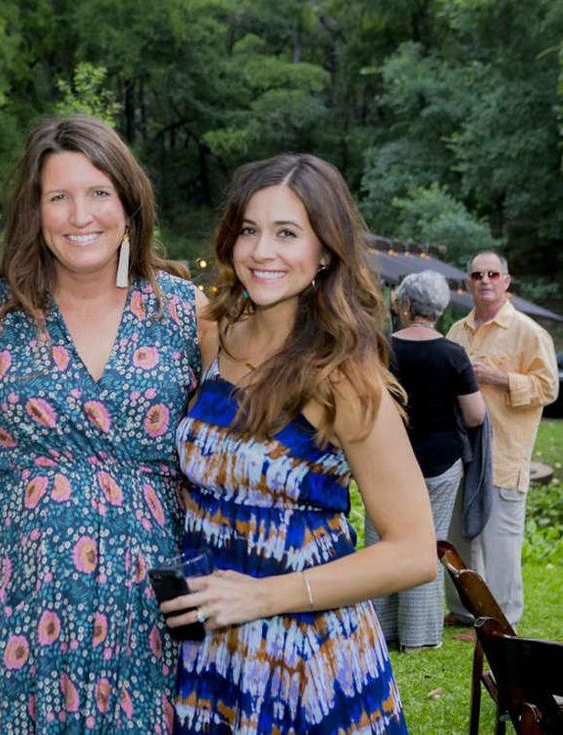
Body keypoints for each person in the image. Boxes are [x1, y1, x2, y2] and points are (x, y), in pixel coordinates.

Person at [162, 154, 437, 734]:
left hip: (306, 658)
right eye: (250, 230)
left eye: (288, 233)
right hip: (213, 652)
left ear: (326, 253)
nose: (263, 251)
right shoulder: (214, 335)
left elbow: (414, 551)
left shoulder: (343, 379)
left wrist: (266, 597)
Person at [0, 115, 215, 732]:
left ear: (129, 207)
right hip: (19, 603)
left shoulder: (187, 312)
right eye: (59, 197)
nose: (80, 215)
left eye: (98, 194)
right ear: (35, 212)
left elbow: (233, 449)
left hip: (149, 608)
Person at [364, 270, 486, 652]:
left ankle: (381, 630)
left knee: (381, 539)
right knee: (427, 544)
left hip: (387, 460)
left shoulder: (381, 348)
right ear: (439, 309)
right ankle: (420, 635)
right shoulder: (453, 353)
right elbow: (475, 415)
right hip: (441, 461)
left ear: (404, 304)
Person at [445, 251, 557, 626]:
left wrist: (498, 378)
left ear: (506, 282)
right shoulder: (457, 332)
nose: (485, 280)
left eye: (493, 274)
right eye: (477, 275)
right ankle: (464, 612)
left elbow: (549, 387)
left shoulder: (528, 332)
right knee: (461, 535)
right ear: (468, 283)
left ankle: (503, 621)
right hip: (460, 452)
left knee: (500, 544)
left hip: (504, 453)